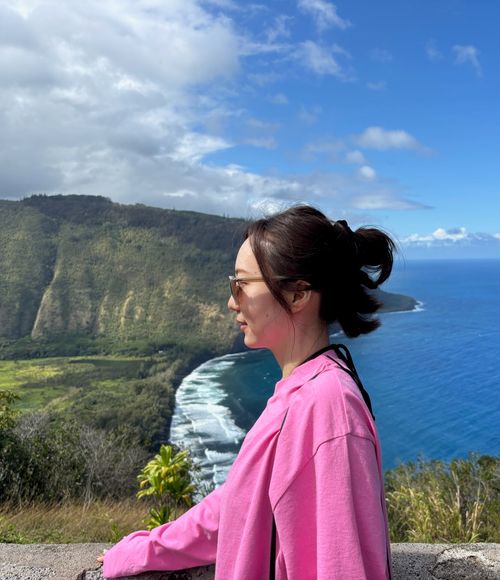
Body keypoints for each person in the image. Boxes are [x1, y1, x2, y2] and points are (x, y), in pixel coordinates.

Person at [99, 204, 396, 579]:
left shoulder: (328, 407)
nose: (231, 301)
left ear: (297, 295)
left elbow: (343, 564)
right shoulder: (301, 392)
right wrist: (143, 550)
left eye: (240, 285)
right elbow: (238, 506)